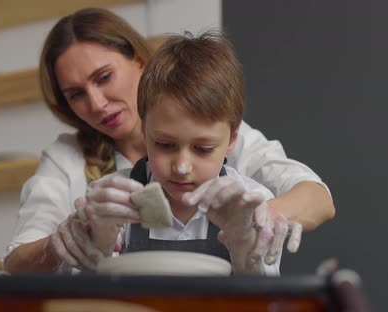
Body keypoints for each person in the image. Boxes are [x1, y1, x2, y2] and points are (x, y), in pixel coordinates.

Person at [2, 8, 334, 273]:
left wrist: (253, 223)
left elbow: (315, 196)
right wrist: (72, 241)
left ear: (139, 61)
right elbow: (20, 261)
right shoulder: (88, 176)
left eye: (104, 78)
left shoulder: (226, 142)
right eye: (76, 94)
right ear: (146, 132)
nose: (97, 103)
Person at [71, 30, 283, 275]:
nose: (182, 167)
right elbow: (89, 296)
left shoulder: (252, 202)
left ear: (232, 139)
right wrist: (100, 244)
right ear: (144, 131)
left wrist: (243, 243)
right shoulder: (112, 196)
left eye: (203, 149)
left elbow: (264, 300)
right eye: (165, 145)